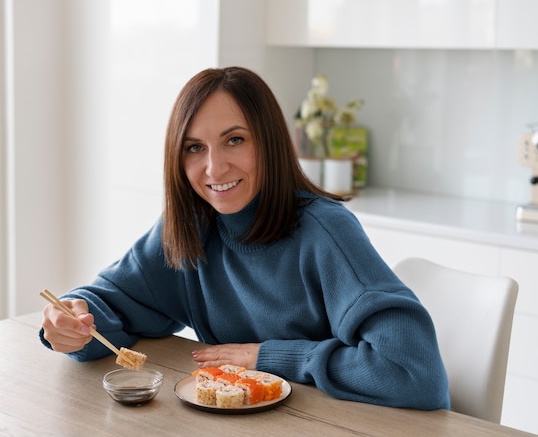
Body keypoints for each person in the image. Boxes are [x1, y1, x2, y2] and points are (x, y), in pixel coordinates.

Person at [40, 66, 450, 410]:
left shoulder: (325, 231)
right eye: (194, 148)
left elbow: (414, 373)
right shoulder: (192, 224)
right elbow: (110, 306)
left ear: (269, 143)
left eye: (234, 140)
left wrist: (268, 357)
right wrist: (73, 322)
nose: (214, 168)